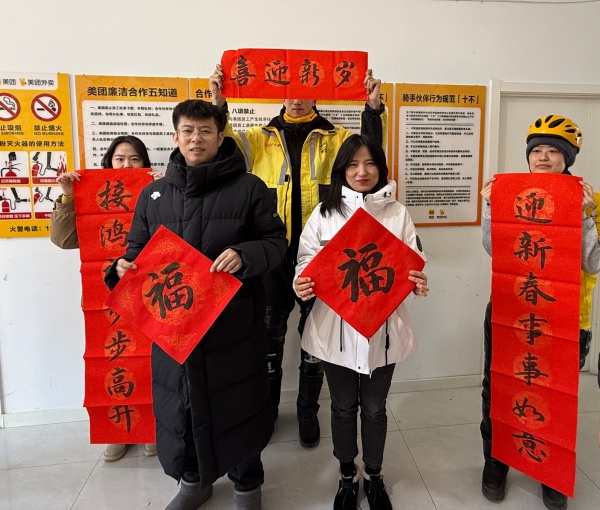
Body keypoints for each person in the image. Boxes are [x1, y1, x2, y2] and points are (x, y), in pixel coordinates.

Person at [104, 100, 287, 510]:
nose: (196, 138)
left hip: (232, 326)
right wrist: (120, 268)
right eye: (187, 130)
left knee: (238, 405)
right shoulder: (153, 195)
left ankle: (247, 485)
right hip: (174, 331)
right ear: (175, 136)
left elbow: (276, 243)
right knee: (182, 408)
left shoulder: (250, 188)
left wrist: (245, 254)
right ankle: (193, 481)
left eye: (205, 131)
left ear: (220, 137)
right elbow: (135, 252)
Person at [210, 63, 386, 447]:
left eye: (304, 89)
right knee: (269, 334)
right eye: (288, 91)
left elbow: (369, 156)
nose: (296, 99)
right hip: (271, 253)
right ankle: (267, 411)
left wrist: (373, 110)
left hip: (322, 254)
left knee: (314, 337)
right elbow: (221, 150)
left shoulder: (336, 138)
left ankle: (308, 411)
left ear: (316, 92)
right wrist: (219, 105)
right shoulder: (257, 138)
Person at [293, 134, 428, 510]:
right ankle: (347, 476)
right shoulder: (324, 213)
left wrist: (418, 280)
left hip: (384, 332)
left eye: (369, 163)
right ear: (342, 170)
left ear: (380, 168)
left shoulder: (397, 213)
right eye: (353, 164)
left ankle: (374, 476)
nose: (362, 171)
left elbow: (412, 261)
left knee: (374, 408)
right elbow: (305, 259)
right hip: (333, 330)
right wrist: (301, 281)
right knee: (341, 407)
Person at [480, 114, 600, 510]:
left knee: (555, 395)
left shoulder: (592, 201)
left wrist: (585, 216)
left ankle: (551, 473)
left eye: (553, 151)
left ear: (568, 158)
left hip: (565, 318)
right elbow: (495, 249)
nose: (543, 158)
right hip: (512, 310)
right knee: (499, 388)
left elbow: (593, 262)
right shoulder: (513, 193)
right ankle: (496, 462)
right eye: (537, 151)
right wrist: (490, 207)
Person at [51, 134, 160, 462]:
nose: (127, 165)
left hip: (146, 293)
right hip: (104, 297)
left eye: (135, 159)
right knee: (113, 361)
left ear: (145, 164)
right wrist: (69, 198)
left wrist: (166, 191)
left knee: (148, 361)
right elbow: (63, 240)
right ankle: (118, 430)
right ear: (108, 163)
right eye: (119, 159)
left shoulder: (157, 192)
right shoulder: (92, 198)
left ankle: (150, 427)